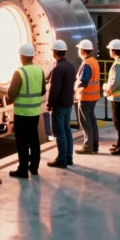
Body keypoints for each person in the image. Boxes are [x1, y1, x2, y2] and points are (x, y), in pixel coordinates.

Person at [7, 43, 44, 179]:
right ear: (32, 57)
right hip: (34, 112)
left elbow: (12, 94)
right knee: (34, 140)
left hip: (22, 113)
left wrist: (8, 93)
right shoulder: (39, 71)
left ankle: (22, 170)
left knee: (22, 142)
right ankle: (34, 168)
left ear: (22, 57)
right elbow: (43, 91)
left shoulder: (19, 73)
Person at [46, 40, 76, 168]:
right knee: (67, 130)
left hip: (59, 105)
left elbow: (55, 89)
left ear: (55, 52)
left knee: (59, 133)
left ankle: (61, 159)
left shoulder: (58, 69)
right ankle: (69, 157)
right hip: (68, 103)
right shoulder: (70, 66)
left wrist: (49, 104)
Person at [74, 39, 101, 155]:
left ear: (83, 50)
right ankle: (94, 145)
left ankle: (88, 146)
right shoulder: (93, 61)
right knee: (92, 122)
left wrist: (75, 93)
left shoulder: (86, 64)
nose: (78, 51)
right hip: (93, 97)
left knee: (86, 123)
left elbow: (83, 82)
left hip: (85, 98)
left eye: (79, 49)